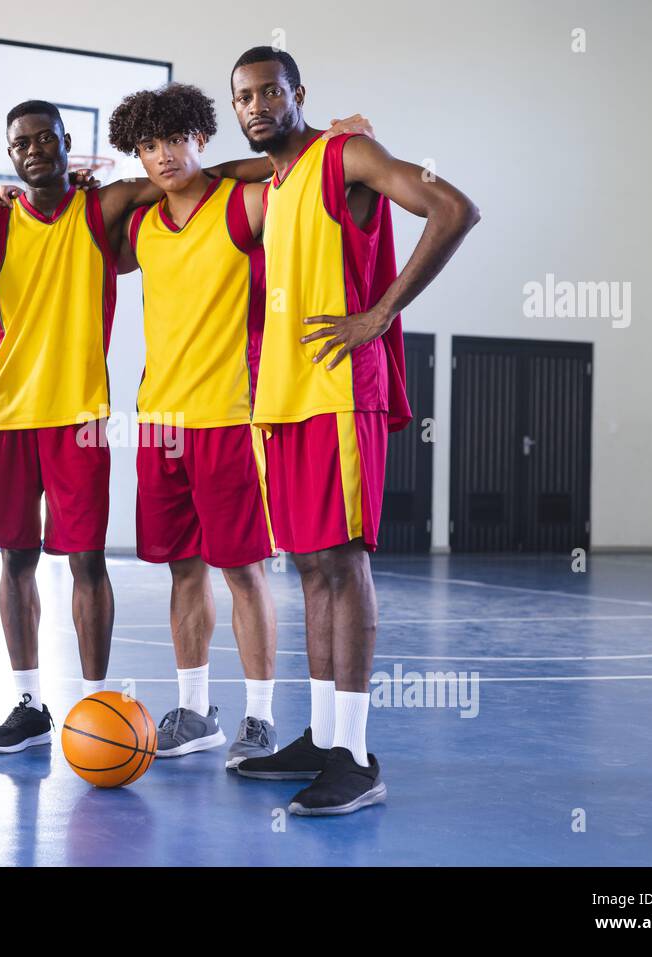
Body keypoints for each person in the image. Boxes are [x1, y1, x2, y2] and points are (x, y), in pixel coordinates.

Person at [0, 100, 280, 753]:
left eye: (47, 138)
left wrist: (317, 148)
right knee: (25, 560)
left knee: (109, 563)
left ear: (73, 144)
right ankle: (34, 702)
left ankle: (107, 703)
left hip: (99, 417)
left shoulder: (110, 206)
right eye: (22, 143)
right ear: (8, 156)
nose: (35, 149)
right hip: (36, 413)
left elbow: (237, 175)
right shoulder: (14, 220)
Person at [227, 47, 480, 815]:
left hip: (339, 392)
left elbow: (455, 209)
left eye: (271, 91)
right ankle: (324, 735)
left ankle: (357, 756)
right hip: (282, 399)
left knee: (342, 562)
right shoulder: (274, 179)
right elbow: (228, 173)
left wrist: (380, 314)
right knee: (308, 566)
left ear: (299, 94)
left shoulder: (347, 155)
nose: (258, 104)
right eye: (244, 97)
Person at [102, 82, 372, 767]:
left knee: (243, 572)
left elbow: (291, 174)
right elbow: (91, 219)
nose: (163, 156)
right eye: (148, 145)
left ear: (201, 136)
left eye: (175, 139)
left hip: (231, 417)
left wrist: (332, 140)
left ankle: (258, 718)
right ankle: (195, 711)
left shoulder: (244, 204)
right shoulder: (138, 228)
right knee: (181, 572)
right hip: (160, 421)